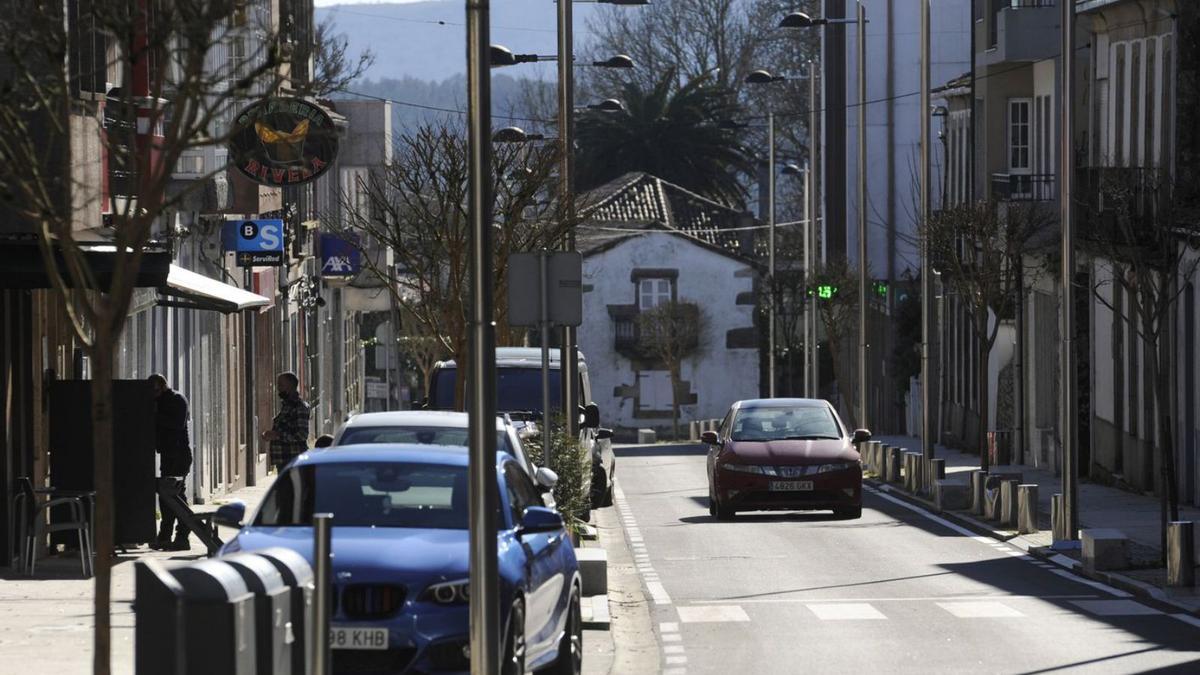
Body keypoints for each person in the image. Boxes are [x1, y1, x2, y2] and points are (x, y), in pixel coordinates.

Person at [148, 374, 193, 551]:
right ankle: (165, 536)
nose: (154, 395)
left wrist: (154, 415)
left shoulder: (177, 400)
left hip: (179, 455)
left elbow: (176, 424)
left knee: (176, 497)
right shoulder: (159, 402)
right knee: (167, 498)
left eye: (156, 391)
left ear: (163, 386)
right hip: (168, 455)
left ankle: (182, 537)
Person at [262, 371, 311, 472]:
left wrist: (277, 435)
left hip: (293, 460)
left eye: (281, 385)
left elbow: (302, 434)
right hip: (284, 461)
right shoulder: (287, 406)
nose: (278, 388)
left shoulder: (299, 406)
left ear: (291, 386)